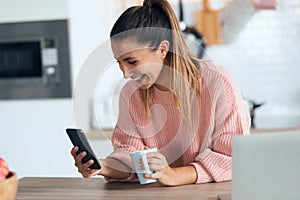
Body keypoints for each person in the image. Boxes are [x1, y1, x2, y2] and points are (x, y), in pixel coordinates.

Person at [71, 0, 250, 186]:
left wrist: (173, 175)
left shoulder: (217, 82)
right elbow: (130, 154)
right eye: (119, 62)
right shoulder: (130, 93)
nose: (125, 74)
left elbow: (234, 157)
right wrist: (103, 166)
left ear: (163, 49)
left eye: (131, 62)